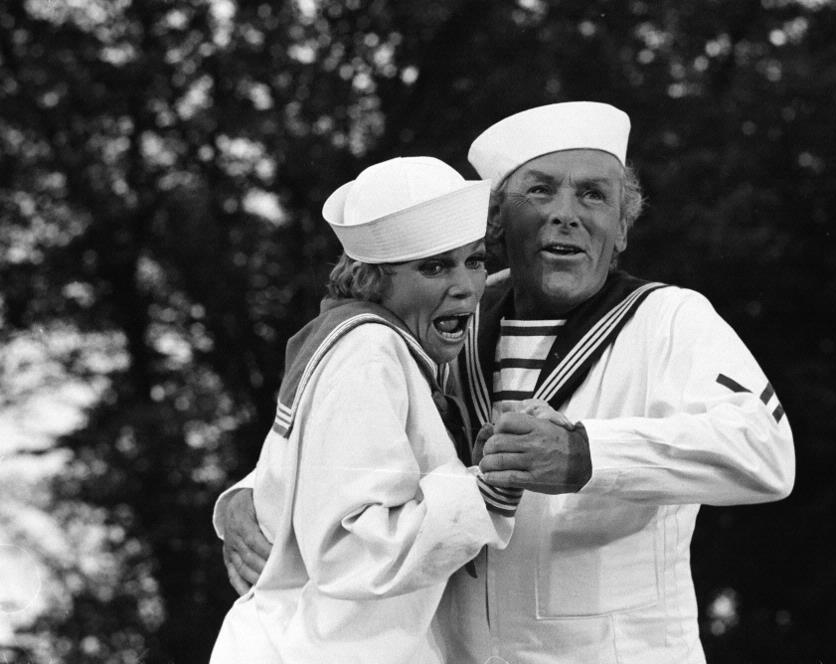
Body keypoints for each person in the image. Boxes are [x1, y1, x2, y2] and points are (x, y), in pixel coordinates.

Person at [218, 102, 796, 663]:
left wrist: (587, 454)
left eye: (593, 195)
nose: (566, 213)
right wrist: (255, 498)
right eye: (540, 191)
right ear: (494, 221)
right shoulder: (445, 318)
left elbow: (766, 451)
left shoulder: (668, 319)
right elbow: (352, 427)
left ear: (622, 227)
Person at [209, 157, 526, 664]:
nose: (467, 286)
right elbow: (351, 552)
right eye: (434, 266)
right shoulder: (369, 353)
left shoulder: (365, 340)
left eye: (475, 260)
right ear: (372, 278)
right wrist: (487, 490)